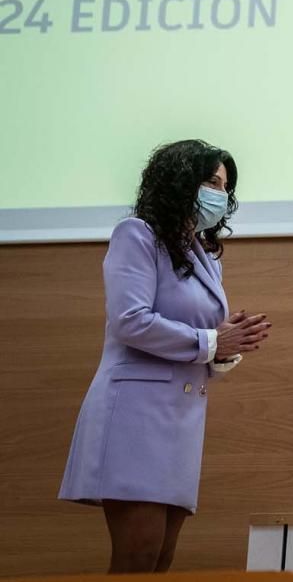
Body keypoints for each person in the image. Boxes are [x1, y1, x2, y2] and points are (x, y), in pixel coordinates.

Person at [59, 140, 271, 573]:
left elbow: (203, 340)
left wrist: (226, 350)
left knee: (160, 559)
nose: (219, 193)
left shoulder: (204, 256)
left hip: (180, 422)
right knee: (136, 556)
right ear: (179, 181)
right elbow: (130, 321)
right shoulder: (136, 234)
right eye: (211, 181)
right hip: (134, 417)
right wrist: (212, 342)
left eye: (223, 186)